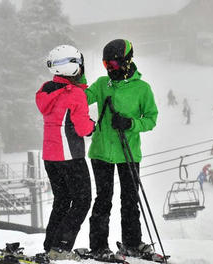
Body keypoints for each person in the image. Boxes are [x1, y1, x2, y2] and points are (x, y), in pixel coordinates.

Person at [85, 39, 159, 259]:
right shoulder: (101, 84)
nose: (110, 69)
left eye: (114, 65)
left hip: (129, 152)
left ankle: (132, 243)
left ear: (127, 61)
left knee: (129, 199)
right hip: (101, 153)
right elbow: (82, 99)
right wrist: (74, 83)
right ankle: (99, 246)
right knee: (103, 199)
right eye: (106, 64)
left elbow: (151, 119)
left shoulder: (142, 89)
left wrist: (130, 124)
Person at [36, 45, 95, 260]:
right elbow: (82, 128)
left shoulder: (46, 89)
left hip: (50, 157)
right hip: (70, 157)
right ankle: (60, 247)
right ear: (73, 68)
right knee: (82, 200)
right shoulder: (75, 94)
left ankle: (51, 245)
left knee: (62, 200)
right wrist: (93, 124)